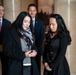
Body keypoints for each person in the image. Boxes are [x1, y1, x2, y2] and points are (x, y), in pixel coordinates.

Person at [27, 4, 45, 75]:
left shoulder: (40, 22)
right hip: (27, 50)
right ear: (28, 11)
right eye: (30, 10)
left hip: (37, 48)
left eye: (33, 11)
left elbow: (42, 36)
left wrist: (36, 48)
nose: (32, 12)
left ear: (36, 12)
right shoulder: (25, 21)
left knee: (37, 67)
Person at [0, 4, 11, 75]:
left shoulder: (8, 23)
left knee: (5, 68)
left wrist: (2, 46)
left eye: (2, 10)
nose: (0, 12)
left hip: (4, 50)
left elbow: (9, 37)